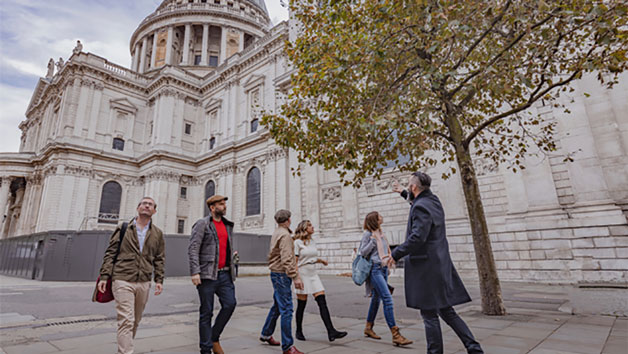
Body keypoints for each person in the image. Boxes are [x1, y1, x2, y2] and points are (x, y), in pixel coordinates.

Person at [388, 172, 484, 354]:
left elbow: (417, 237)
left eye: (408, 184)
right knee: (447, 312)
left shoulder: (420, 207)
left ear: (414, 187)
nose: (408, 186)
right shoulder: (433, 201)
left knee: (429, 314)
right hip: (438, 263)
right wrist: (402, 192)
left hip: (426, 269)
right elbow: (417, 202)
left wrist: (396, 253)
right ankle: (474, 348)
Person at [98, 197, 165, 354]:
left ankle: (123, 348)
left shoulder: (157, 233)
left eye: (150, 204)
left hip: (143, 281)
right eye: (143, 203)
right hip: (122, 278)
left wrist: (159, 279)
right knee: (126, 320)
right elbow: (111, 252)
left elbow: (160, 258)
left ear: (154, 211)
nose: (146, 206)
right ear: (138, 208)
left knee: (134, 321)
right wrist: (104, 276)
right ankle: (126, 352)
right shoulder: (123, 228)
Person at [188, 195, 238, 354]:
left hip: (225, 275)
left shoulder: (227, 225)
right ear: (212, 207)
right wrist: (195, 271)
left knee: (230, 304)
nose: (224, 206)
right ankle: (206, 349)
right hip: (207, 274)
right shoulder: (203, 224)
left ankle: (213, 337)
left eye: (224, 204)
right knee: (206, 312)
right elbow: (193, 249)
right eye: (221, 204)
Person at [358, 211, 412, 347]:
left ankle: (368, 328)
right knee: (387, 299)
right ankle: (395, 334)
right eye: (379, 216)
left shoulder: (381, 233)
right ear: (374, 220)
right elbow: (363, 252)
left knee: (376, 299)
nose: (381, 217)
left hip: (383, 269)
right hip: (374, 270)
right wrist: (372, 241)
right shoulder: (368, 234)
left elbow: (385, 250)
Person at [293, 220, 347, 342]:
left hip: (313, 273)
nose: (313, 227)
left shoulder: (312, 241)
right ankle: (298, 330)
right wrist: (296, 278)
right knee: (302, 305)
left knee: (322, 301)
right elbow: (295, 262)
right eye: (310, 225)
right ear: (304, 228)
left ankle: (331, 331)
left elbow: (311, 257)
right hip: (302, 273)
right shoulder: (297, 242)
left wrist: (321, 261)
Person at [260, 209, 304, 354]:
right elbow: (287, 259)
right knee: (287, 309)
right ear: (288, 220)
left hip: (276, 273)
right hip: (281, 274)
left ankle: (266, 333)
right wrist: (295, 276)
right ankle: (287, 346)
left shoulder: (277, 232)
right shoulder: (285, 235)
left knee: (277, 306)